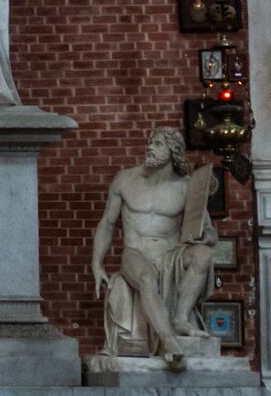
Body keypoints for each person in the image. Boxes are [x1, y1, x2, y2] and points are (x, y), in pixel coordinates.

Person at [92, 126, 217, 368]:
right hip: (135, 253)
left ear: (173, 151)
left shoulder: (187, 186)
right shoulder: (126, 180)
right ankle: (169, 341)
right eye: (150, 142)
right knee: (147, 278)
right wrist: (96, 264)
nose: (150, 147)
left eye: (158, 144)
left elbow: (210, 232)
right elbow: (106, 225)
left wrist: (205, 236)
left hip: (171, 255)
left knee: (202, 254)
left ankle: (181, 318)